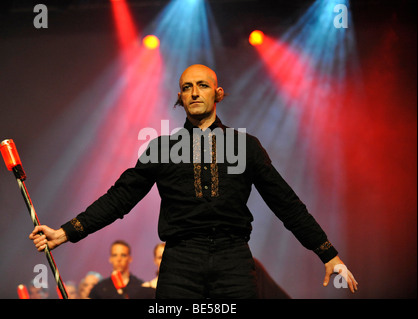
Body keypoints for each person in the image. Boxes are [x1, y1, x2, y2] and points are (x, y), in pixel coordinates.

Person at [29, 64, 358, 298]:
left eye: (202, 85)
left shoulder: (245, 145)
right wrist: (65, 233)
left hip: (233, 259)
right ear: (180, 97)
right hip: (180, 262)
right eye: (187, 87)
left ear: (218, 93)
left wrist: (327, 253)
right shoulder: (160, 149)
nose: (194, 92)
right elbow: (119, 198)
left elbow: (285, 202)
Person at [88, 240, 155, 299]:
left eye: (123, 255)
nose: (119, 259)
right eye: (115, 255)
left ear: (130, 258)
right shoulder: (99, 288)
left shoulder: (140, 286)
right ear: (110, 259)